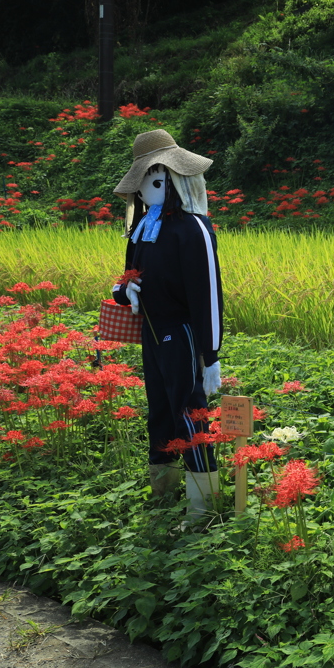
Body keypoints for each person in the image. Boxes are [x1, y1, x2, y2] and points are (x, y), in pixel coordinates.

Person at [111, 129, 225, 515]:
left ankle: (202, 504)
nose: (146, 190)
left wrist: (211, 356)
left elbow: (207, 294)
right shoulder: (142, 228)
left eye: (155, 180)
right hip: (152, 331)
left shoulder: (193, 229)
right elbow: (128, 277)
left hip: (182, 333)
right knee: (158, 408)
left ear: (173, 180)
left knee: (189, 411)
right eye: (143, 183)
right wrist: (124, 292)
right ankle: (163, 492)